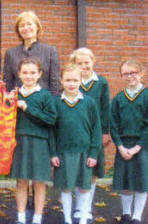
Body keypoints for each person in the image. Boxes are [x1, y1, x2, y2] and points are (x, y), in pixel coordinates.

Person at [51, 64, 101, 224]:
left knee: (84, 186)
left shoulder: (89, 102)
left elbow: (96, 130)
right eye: (68, 80)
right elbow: (51, 131)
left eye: (75, 80)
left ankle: (83, 218)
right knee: (66, 186)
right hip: (64, 152)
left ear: (81, 81)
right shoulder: (56, 103)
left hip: (84, 152)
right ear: (61, 80)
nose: (71, 83)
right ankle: (67, 218)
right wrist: (53, 153)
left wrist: (94, 153)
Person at [10, 58, 56, 224]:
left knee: (39, 183)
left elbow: (50, 120)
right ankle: (21, 218)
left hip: (39, 143)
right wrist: (8, 104)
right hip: (19, 142)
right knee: (21, 182)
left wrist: (27, 108)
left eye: (32, 73)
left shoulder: (45, 95)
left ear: (39, 74)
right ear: (19, 74)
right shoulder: (14, 94)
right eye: (25, 72)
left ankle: (37, 218)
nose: (28, 76)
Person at [69, 47, 111, 223]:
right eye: (79, 63)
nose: (84, 66)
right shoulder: (72, 82)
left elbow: (105, 108)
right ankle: (78, 207)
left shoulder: (101, 82)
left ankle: (87, 208)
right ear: (74, 65)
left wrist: (105, 132)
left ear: (93, 62)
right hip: (75, 134)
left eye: (87, 62)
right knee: (78, 170)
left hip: (94, 134)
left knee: (91, 170)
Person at [110, 59, 148, 224]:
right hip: (123, 145)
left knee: (141, 181)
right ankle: (126, 214)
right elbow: (113, 124)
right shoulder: (118, 98)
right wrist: (119, 146)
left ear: (141, 73)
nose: (130, 76)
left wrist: (137, 147)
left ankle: (137, 216)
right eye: (126, 73)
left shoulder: (146, 95)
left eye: (133, 73)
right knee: (125, 181)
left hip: (143, 145)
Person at [3, 11, 59, 95]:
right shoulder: (10, 53)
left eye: (29, 24)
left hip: (43, 104)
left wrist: (52, 105)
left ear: (37, 27)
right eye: (22, 25)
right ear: (18, 30)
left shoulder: (50, 51)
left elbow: (55, 83)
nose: (26, 28)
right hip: (18, 102)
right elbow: (8, 83)